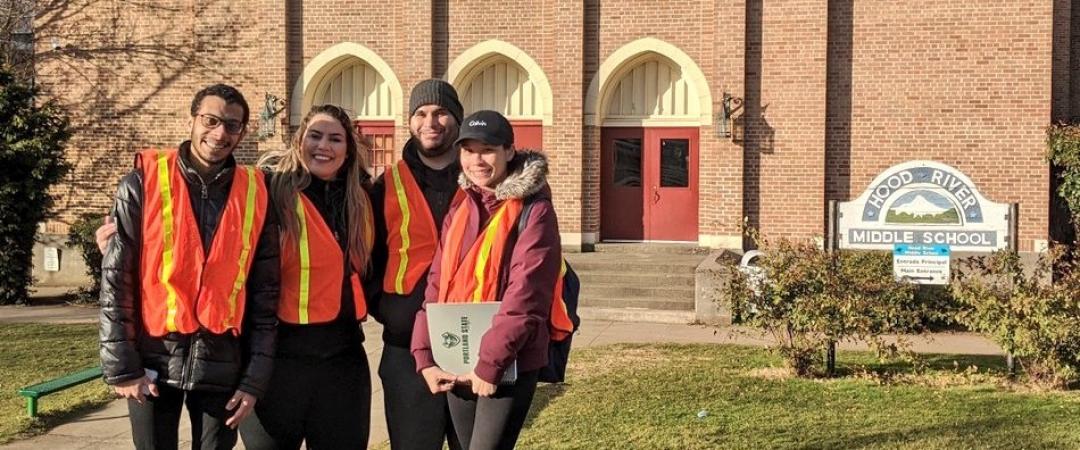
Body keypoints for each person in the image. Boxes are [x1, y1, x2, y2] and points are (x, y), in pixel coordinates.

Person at [98, 83, 280, 450]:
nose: (219, 133)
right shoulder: (143, 183)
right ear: (192, 120)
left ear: (242, 131)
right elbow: (118, 281)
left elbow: (265, 294)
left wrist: (253, 380)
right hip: (153, 358)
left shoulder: (256, 192)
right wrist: (123, 367)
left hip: (222, 361)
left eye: (232, 125)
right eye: (210, 121)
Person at [411, 110, 561, 450]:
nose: (476, 160)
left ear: (509, 151)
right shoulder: (462, 205)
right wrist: (424, 356)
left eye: (487, 149)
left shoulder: (534, 211)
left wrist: (489, 364)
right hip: (457, 355)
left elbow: (526, 297)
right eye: (468, 150)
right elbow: (436, 284)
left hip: (508, 361)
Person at [238, 104, 377, 449]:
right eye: (315, 136)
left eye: (335, 139)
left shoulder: (362, 198)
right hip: (278, 360)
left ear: (348, 150)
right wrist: (123, 236)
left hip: (342, 360)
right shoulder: (267, 190)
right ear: (299, 141)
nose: (323, 146)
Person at [368, 79, 465, 450]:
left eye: (441, 112)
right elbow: (367, 257)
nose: (431, 121)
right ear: (410, 122)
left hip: (472, 343)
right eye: (421, 113)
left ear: (457, 118)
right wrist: (391, 309)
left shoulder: (482, 178)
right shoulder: (385, 185)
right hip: (404, 348)